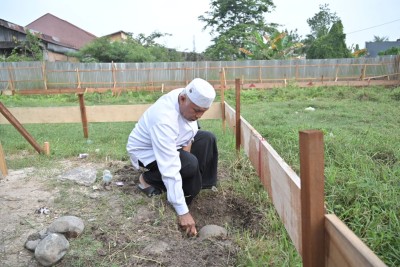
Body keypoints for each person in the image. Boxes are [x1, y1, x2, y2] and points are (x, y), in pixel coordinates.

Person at [126, 78, 218, 237]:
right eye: (196, 110)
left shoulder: (186, 98)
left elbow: (190, 133)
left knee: (207, 139)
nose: (199, 115)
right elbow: (169, 166)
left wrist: (187, 160)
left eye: (203, 111)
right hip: (147, 153)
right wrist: (183, 212)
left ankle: (202, 184)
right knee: (189, 165)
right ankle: (147, 179)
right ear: (182, 99)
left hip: (174, 142)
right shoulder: (164, 119)